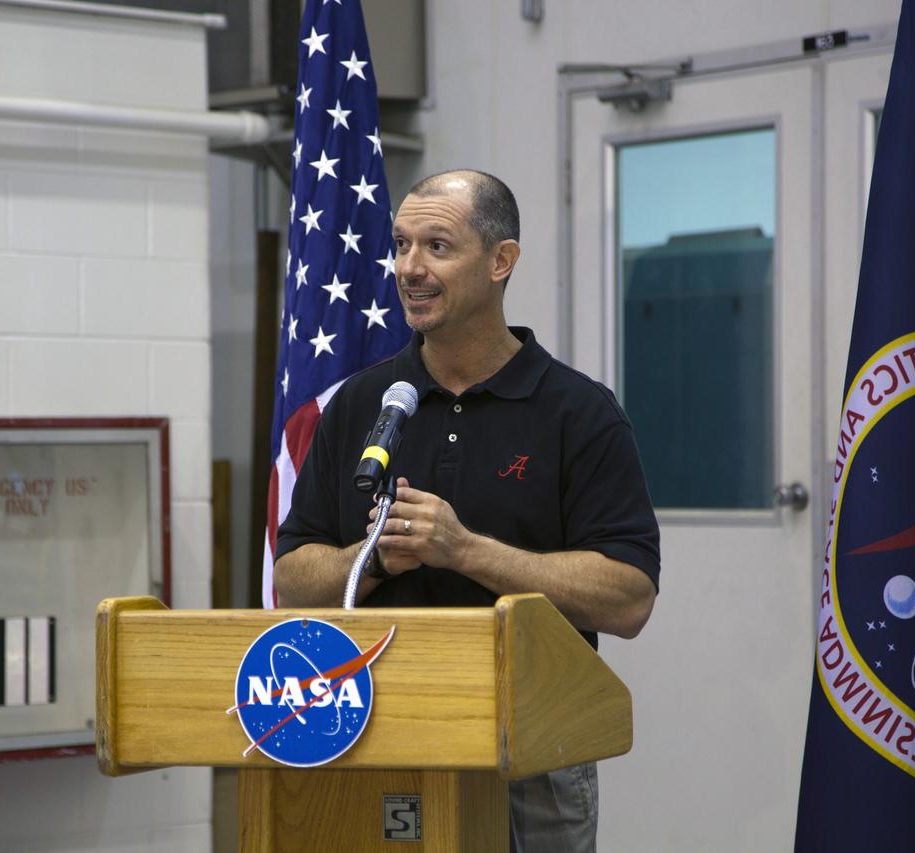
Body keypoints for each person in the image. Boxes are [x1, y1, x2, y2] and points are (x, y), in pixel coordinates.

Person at [273, 169, 660, 852]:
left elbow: (628, 598)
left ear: (501, 261)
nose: (409, 268)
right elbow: (293, 582)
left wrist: (465, 550)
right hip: (379, 728)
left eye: (437, 247)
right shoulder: (361, 404)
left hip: (532, 746)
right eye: (401, 245)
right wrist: (373, 560)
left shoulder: (578, 412)